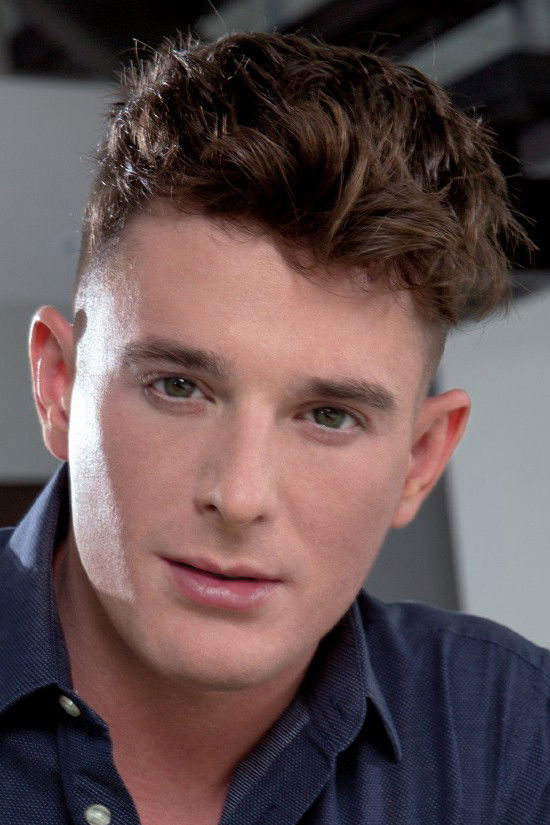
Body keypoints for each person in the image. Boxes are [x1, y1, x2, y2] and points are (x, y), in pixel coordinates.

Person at [1, 32, 548, 825]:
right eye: (179, 387)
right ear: (59, 385)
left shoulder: (517, 741)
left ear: (420, 460)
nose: (239, 495)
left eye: (329, 416)